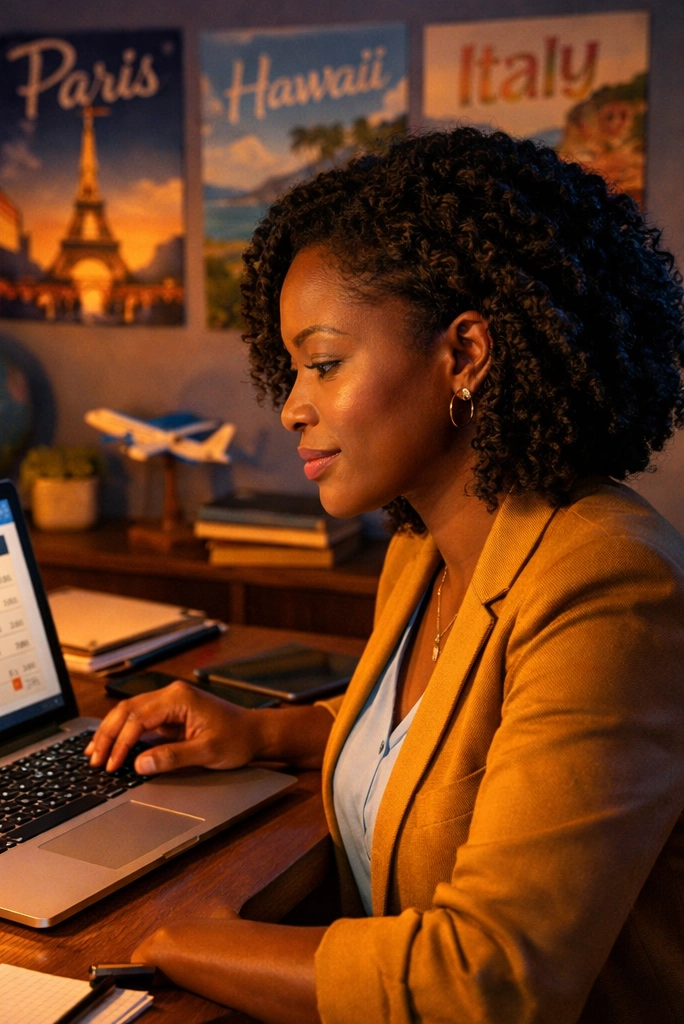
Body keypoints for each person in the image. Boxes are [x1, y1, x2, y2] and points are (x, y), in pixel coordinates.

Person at [84, 128, 684, 1024]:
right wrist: (262, 731)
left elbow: (486, 983)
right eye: (293, 368)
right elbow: (442, 742)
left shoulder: (608, 587)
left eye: (325, 363)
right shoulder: (422, 549)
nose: (293, 406)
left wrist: (178, 936)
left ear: (466, 354)